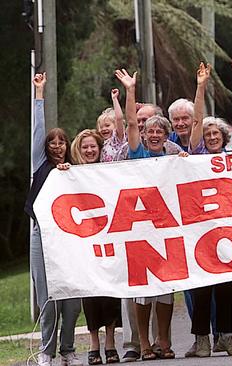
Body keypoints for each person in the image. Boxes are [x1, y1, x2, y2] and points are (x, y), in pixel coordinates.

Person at [115, 68, 179, 360]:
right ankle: (144, 344)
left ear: (166, 136)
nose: (153, 135)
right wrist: (130, 90)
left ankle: (163, 341)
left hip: (167, 231)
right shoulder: (137, 152)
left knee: (166, 290)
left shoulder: (174, 158)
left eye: (159, 131)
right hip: (140, 231)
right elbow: (129, 121)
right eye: (149, 131)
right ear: (143, 134)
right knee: (143, 292)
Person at [182, 63, 232, 358]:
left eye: (217, 134)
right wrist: (201, 86)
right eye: (208, 135)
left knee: (226, 287)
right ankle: (201, 338)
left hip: (228, 229)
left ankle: (226, 336)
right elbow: (196, 123)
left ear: (223, 137)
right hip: (201, 229)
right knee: (202, 286)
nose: (212, 137)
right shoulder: (197, 155)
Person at [25, 72, 83, 366]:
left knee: (72, 303)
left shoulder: (76, 171)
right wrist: (39, 94)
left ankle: (68, 349)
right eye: (53, 142)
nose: (57, 146)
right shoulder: (41, 166)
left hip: (70, 241)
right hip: (42, 238)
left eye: (62, 142)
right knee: (48, 301)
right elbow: (37, 131)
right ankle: (46, 352)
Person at [63, 129, 123, 364]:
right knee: (90, 291)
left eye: (93, 147)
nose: (89, 151)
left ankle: (110, 341)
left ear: (100, 149)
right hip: (84, 240)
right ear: (80, 149)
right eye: (85, 147)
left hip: (110, 237)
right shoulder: (72, 174)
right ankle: (93, 342)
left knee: (110, 290)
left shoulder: (111, 172)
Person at [97, 88, 127, 162]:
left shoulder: (117, 138)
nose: (103, 129)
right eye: (101, 127)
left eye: (107, 125)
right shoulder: (102, 144)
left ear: (116, 126)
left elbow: (119, 118)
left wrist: (114, 99)